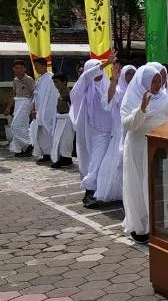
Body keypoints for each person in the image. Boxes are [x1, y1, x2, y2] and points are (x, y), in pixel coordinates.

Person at [121, 65, 168, 244]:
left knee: (158, 185)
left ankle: (158, 223)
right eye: (152, 81)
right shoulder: (131, 98)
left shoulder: (165, 99)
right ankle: (141, 225)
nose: (156, 84)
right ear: (143, 81)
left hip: (159, 148)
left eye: (158, 81)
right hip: (138, 148)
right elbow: (129, 125)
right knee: (138, 185)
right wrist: (142, 110)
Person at [71, 57, 115, 208]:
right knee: (93, 161)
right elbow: (86, 76)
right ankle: (89, 192)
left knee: (103, 161)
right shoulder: (84, 86)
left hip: (108, 131)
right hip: (91, 131)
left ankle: (98, 191)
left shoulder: (106, 84)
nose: (99, 72)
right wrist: (106, 64)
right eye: (96, 68)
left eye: (101, 68)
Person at [94, 64, 136, 205]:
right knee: (114, 166)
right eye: (128, 74)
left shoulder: (138, 92)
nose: (131, 77)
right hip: (119, 135)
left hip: (133, 134)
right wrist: (113, 80)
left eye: (133, 73)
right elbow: (108, 101)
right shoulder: (118, 90)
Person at [29, 57, 59, 163]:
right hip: (39, 110)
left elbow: (51, 96)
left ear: (43, 66)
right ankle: (46, 153)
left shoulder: (51, 78)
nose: (36, 68)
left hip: (47, 110)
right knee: (41, 134)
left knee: (48, 132)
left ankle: (52, 154)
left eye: (37, 66)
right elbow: (37, 95)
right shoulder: (39, 79)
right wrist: (34, 108)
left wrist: (43, 110)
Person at [5, 59, 34, 157]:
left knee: (15, 126)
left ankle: (30, 144)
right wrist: (8, 108)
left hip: (26, 103)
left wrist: (33, 108)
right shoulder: (15, 80)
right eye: (16, 68)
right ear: (13, 69)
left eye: (21, 68)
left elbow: (34, 94)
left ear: (24, 69)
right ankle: (23, 149)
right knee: (22, 126)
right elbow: (13, 94)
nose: (18, 70)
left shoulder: (29, 79)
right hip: (18, 103)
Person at [50, 74, 75, 169]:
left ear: (64, 82)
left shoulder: (69, 93)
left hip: (67, 119)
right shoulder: (58, 93)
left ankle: (67, 159)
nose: (55, 84)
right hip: (59, 118)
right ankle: (61, 158)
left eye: (57, 82)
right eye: (54, 82)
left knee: (66, 140)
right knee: (58, 140)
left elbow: (73, 107)